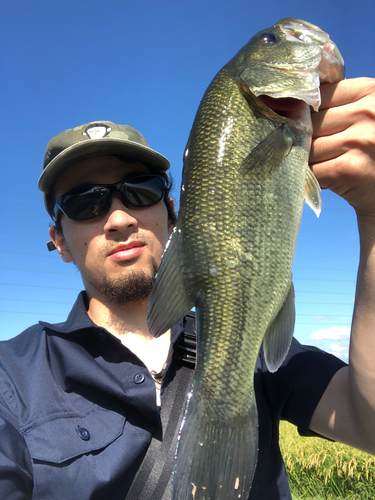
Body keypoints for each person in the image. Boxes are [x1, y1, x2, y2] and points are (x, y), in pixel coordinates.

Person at [0, 77, 374, 500]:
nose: (120, 219)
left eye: (140, 191)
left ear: (174, 213)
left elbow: (369, 422)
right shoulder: (10, 378)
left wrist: (373, 212)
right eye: (85, 202)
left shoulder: (252, 347)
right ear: (61, 241)